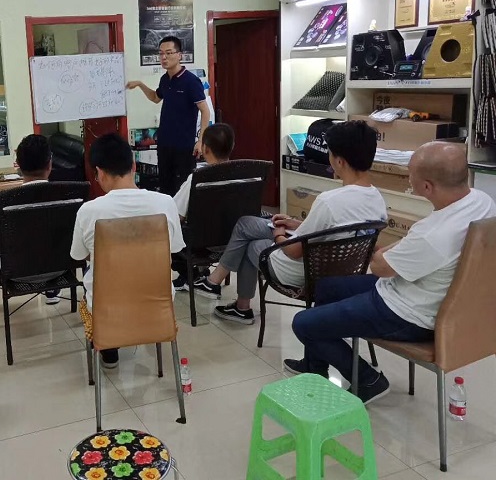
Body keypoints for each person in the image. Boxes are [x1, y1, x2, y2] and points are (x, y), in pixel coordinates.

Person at [285, 142, 496, 404]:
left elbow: (380, 267)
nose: (408, 178)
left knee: (303, 323)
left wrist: (391, 250)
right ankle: (314, 366)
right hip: (425, 294)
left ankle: (368, 380)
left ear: (427, 187)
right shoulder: (481, 201)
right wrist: (399, 248)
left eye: (410, 174)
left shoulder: (432, 236)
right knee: (327, 288)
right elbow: (403, 252)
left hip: (406, 314)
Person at [193, 120, 387, 324]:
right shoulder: (377, 201)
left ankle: (236, 302)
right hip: (337, 271)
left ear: (339, 162)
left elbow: (293, 251)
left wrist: (278, 234)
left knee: (250, 243)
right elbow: (334, 229)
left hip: (300, 271)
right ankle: (222, 290)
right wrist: (294, 224)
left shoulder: (329, 202)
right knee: (246, 224)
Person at [70, 133, 185, 369]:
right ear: (133, 165)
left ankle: (109, 347)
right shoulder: (166, 203)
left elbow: (79, 256)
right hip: (157, 306)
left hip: (107, 309)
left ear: (99, 172)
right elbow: (174, 249)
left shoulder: (89, 211)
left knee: (97, 279)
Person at [0, 134, 60, 307]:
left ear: (19, 166)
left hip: (16, 272)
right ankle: (52, 291)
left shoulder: (3, 200)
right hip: (59, 269)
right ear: (50, 164)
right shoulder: (69, 195)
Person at [126, 36, 210, 197]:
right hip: (164, 143)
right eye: (161, 53)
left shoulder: (191, 81)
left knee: (183, 189)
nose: (164, 57)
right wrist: (140, 84)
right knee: (165, 187)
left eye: (169, 53)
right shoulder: (165, 79)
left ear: (179, 55)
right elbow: (155, 98)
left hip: (184, 146)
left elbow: (205, 111)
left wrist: (200, 141)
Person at [170, 122, 236, 290]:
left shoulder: (197, 179)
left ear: (205, 148)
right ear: (232, 146)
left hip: (199, 243)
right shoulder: (245, 175)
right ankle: (197, 273)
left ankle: (190, 275)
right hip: (233, 241)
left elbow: (176, 215)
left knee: (168, 228)